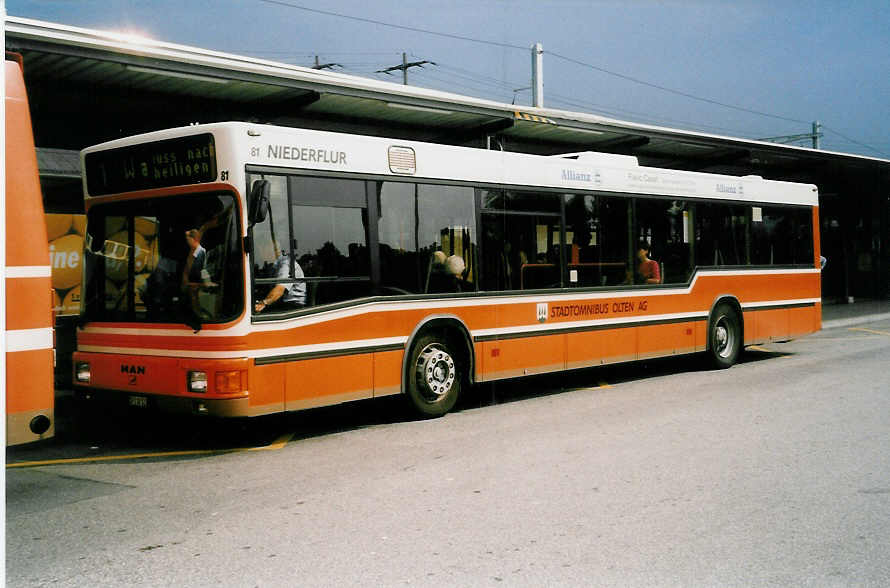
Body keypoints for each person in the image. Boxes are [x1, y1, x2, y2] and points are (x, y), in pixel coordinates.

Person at [254, 244, 306, 313]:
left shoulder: (286, 263)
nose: (260, 253)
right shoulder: (273, 266)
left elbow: (279, 290)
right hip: (281, 303)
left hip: (293, 307)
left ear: (273, 250)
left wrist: (263, 303)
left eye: (262, 249)